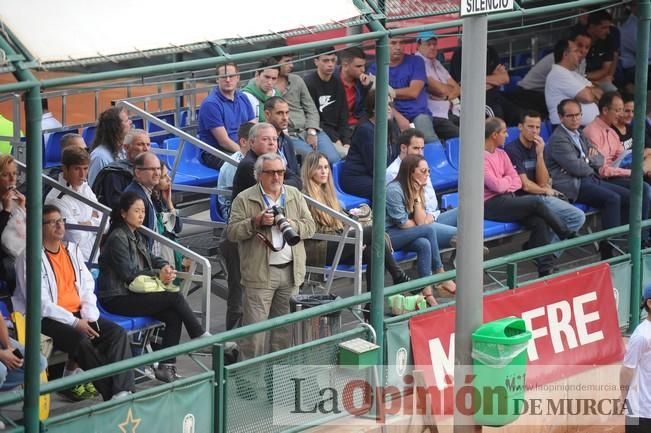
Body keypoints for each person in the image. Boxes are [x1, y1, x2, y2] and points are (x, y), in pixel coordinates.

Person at [14, 204, 133, 401]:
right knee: (81, 341)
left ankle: (123, 390)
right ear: (39, 227)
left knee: (116, 334)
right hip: (46, 318)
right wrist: (75, 322)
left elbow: (86, 286)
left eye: (61, 221)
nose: (60, 226)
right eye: (52, 222)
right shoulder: (29, 257)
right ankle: (111, 393)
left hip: (79, 313)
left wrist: (89, 315)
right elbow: (39, 303)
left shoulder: (72, 250)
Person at [98, 192, 208, 383]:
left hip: (130, 293)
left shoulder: (134, 233)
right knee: (174, 298)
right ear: (123, 213)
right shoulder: (118, 237)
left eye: (143, 211)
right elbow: (128, 274)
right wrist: (158, 274)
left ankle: (167, 366)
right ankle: (199, 336)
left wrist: (164, 265)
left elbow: (150, 257)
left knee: (173, 315)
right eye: (136, 211)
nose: (141, 215)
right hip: (116, 298)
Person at [226, 153, 316, 360]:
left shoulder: (294, 194)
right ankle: (249, 385)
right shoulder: (244, 198)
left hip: (291, 272)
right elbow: (231, 232)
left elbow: (311, 227)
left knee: (283, 334)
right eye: (270, 172)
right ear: (258, 175)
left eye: (280, 172)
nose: (276, 177)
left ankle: (279, 382)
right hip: (259, 275)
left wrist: (292, 225)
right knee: (254, 335)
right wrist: (255, 222)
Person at [302, 151, 410, 290]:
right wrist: (355, 238)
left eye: (326, 167)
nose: (324, 171)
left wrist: (356, 238)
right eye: (319, 168)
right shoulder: (305, 197)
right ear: (310, 170)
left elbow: (340, 222)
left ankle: (371, 306)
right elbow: (314, 230)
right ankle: (398, 275)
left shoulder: (329, 195)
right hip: (320, 248)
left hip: (338, 242)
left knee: (373, 252)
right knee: (371, 231)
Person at [484, 117, 575, 277]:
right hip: (489, 205)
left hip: (507, 199)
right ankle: (564, 231)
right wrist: (506, 181)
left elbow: (517, 181)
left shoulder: (502, 153)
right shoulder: (480, 157)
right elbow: (496, 186)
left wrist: (505, 182)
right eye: (504, 132)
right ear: (494, 135)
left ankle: (545, 270)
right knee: (535, 202)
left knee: (539, 221)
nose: (506, 135)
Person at [544, 98, 631, 259]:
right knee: (613, 199)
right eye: (570, 116)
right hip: (573, 185)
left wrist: (587, 161)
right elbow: (577, 168)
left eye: (578, 115)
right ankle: (609, 249)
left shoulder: (580, 133)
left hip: (590, 179)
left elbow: (600, 159)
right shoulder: (559, 139)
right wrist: (589, 161)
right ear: (561, 117)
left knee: (628, 197)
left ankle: (623, 243)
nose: (575, 119)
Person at [504, 111, 586, 252]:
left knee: (568, 216)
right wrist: (546, 191)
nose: (534, 131)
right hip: (522, 198)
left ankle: (544, 253)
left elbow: (543, 181)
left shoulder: (539, 147)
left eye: (537, 127)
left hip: (539, 195)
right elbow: (525, 185)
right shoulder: (512, 150)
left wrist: (540, 154)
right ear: (520, 127)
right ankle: (547, 254)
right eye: (530, 126)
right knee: (577, 217)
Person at [386, 154, 456, 304]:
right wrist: (420, 224)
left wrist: (417, 196)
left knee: (424, 243)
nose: (427, 175)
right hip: (388, 236)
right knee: (429, 231)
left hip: (404, 234)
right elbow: (404, 224)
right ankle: (440, 274)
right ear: (411, 172)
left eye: (428, 171)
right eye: (423, 171)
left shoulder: (416, 188)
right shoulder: (394, 190)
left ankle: (428, 294)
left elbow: (420, 221)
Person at [386, 129, 458, 249]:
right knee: (462, 235)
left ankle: (459, 257)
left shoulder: (421, 164)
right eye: (416, 148)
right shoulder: (394, 173)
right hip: (419, 224)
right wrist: (426, 219)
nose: (420, 153)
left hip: (432, 216)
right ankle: (468, 256)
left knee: (466, 213)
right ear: (403, 148)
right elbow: (407, 215)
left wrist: (432, 215)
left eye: (422, 148)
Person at [369, 38, 438, 143]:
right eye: (393, 43)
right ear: (383, 45)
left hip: (418, 114)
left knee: (428, 139)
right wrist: (397, 115)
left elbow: (413, 92)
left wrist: (389, 92)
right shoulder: (375, 68)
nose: (398, 47)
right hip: (391, 114)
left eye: (402, 42)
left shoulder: (416, 61)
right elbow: (379, 99)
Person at [513, 31, 592, 117]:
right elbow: (581, 91)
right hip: (530, 93)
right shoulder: (561, 60)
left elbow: (581, 85)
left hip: (544, 92)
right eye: (579, 46)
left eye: (587, 47)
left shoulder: (582, 60)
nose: (583, 50)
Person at [340, 88, 400, 202]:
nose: (388, 108)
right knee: (390, 190)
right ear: (373, 108)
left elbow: (397, 155)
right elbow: (374, 167)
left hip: (379, 177)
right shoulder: (365, 130)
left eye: (390, 105)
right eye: (384, 104)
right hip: (358, 178)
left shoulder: (392, 126)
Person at [44, 146, 102, 261]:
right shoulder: (56, 198)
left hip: (94, 260)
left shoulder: (85, 187)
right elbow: (75, 237)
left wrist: (88, 224)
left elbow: (106, 223)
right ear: (64, 168)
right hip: (71, 261)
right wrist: (96, 226)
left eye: (85, 169)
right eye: (77, 169)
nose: (82, 174)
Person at [198, 63, 256, 170]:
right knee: (249, 166)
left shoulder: (243, 97)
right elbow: (224, 142)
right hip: (215, 153)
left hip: (242, 148)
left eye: (231, 76)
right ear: (217, 79)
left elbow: (253, 128)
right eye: (224, 76)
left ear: (238, 77)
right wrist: (246, 154)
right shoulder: (210, 104)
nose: (228, 80)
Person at [450, 45, 522, 125]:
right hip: (473, 97)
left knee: (519, 114)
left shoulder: (490, 50)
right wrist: (495, 79)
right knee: (496, 114)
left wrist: (475, 81)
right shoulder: (460, 53)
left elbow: (505, 78)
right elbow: (465, 85)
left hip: (494, 94)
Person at [232, 123, 302, 200]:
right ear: (252, 143)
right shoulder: (248, 164)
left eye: (274, 139)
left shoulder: (274, 160)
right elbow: (268, 190)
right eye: (265, 139)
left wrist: (277, 183)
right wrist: (279, 183)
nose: (272, 143)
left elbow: (297, 181)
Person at [304, 47, 349, 158]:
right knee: (342, 155)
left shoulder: (337, 83)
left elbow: (343, 116)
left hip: (338, 134)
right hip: (319, 133)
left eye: (333, 60)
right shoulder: (309, 84)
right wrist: (336, 139)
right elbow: (313, 117)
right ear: (316, 62)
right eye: (325, 61)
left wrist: (346, 141)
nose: (330, 64)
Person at [415, 31, 460, 140]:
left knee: (477, 127)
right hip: (435, 115)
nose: (432, 47)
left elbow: (458, 89)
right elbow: (440, 89)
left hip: (451, 110)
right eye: (428, 44)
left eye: (434, 44)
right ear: (418, 45)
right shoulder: (417, 62)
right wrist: (447, 91)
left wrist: (445, 96)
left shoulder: (436, 62)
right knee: (461, 136)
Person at [546, 39, 602, 126]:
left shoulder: (573, 74)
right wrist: (590, 91)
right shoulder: (558, 74)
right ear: (565, 54)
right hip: (567, 129)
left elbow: (600, 93)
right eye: (576, 51)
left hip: (585, 129)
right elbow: (587, 97)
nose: (580, 54)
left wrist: (588, 91)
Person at [92, 128, 151, 208]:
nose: (146, 149)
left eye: (148, 145)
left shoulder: (150, 170)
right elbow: (117, 206)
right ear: (126, 147)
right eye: (140, 144)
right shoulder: (114, 174)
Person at [620, 284, 651, 433]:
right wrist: (622, 397)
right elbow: (627, 369)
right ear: (650, 303)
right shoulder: (641, 336)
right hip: (638, 411)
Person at [123, 152, 161, 250]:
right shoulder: (135, 196)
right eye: (152, 169)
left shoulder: (148, 193)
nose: (157, 173)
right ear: (138, 173)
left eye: (158, 168)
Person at [217, 122, 254, 219]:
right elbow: (236, 199)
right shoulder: (233, 164)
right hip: (231, 210)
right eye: (254, 141)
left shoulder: (258, 159)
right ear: (243, 142)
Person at [88, 107, 132, 187]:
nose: (130, 122)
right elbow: (94, 188)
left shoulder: (123, 149)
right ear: (115, 127)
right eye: (126, 121)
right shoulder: (99, 157)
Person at [0, 155, 25, 294]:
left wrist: (23, 209)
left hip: (24, 252)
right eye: (5, 175)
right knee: (10, 266)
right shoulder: (7, 204)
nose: (12, 179)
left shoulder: (19, 198)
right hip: (6, 258)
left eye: (14, 173)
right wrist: (6, 211)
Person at [336, 47, 372, 127]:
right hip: (338, 125)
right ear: (345, 65)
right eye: (358, 66)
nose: (363, 69)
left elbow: (389, 93)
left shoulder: (365, 78)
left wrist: (368, 86)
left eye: (364, 65)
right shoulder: (331, 79)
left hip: (359, 123)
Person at [584, 10, 618, 92]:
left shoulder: (608, 39)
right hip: (578, 80)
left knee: (613, 92)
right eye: (604, 28)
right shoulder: (580, 39)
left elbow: (605, 70)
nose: (608, 31)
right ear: (592, 27)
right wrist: (583, 77)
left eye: (608, 27)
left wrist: (609, 76)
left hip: (599, 79)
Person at [620, 1, 651, 92]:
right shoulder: (628, 29)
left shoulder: (646, 20)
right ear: (633, 7)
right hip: (633, 69)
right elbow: (646, 53)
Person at [264, 97, 300, 174]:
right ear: (267, 114)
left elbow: (295, 171)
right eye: (279, 113)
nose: (285, 118)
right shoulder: (262, 142)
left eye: (287, 113)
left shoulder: (287, 140)